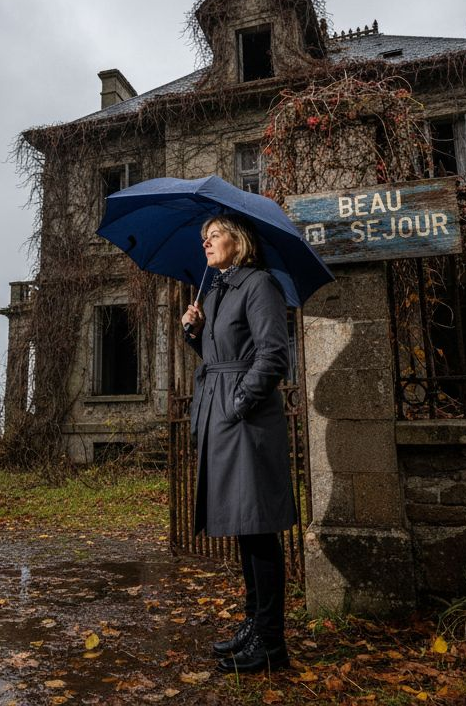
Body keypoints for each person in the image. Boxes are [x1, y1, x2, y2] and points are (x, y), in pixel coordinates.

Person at [181, 213, 296, 674]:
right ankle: (254, 626)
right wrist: (192, 331)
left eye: (213, 235)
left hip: (245, 420)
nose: (206, 244)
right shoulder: (214, 291)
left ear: (238, 240)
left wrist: (239, 401)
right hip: (221, 415)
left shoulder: (258, 284)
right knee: (245, 527)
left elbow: (273, 354)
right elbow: (219, 356)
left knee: (259, 526)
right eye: (203, 238)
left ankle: (272, 642)